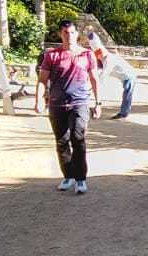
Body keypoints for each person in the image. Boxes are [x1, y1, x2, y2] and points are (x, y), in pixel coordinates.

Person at [36, 19, 101, 195]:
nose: (69, 36)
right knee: (62, 140)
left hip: (80, 102)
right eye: (65, 32)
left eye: (72, 32)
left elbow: (94, 79)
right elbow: (42, 80)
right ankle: (68, 175)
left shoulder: (87, 55)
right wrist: (38, 101)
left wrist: (98, 102)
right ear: (60, 34)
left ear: (77, 34)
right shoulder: (52, 55)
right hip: (57, 104)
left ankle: (81, 178)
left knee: (77, 136)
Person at [87, 34, 137, 120]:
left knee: (127, 94)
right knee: (126, 93)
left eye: (98, 53)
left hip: (129, 75)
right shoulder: (102, 59)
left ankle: (124, 113)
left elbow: (102, 77)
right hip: (124, 77)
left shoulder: (109, 61)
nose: (98, 56)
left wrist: (91, 88)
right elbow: (97, 73)